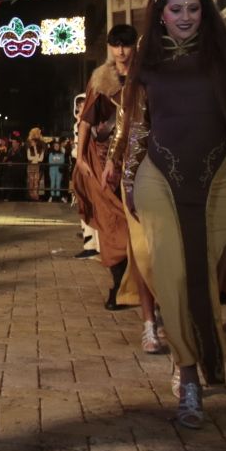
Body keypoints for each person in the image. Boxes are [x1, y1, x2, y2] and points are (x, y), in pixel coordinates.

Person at [108, 0, 226, 427]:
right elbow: (138, 129)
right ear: (160, 13)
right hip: (156, 179)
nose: (185, 17)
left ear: (204, 12)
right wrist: (126, 181)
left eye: (193, 9)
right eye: (176, 9)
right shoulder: (147, 64)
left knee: (203, 278)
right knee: (174, 275)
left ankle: (196, 359)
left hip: (217, 182)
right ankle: (188, 377)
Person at [78, 25, 165, 346]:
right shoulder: (101, 80)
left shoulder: (149, 77)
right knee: (117, 230)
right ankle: (123, 290)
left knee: (151, 238)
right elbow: (87, 120)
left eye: (126, 45)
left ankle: (157, 306)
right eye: (116, 46)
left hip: (150, 162)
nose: (121, 52)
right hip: (111, 165)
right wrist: (81, 157)